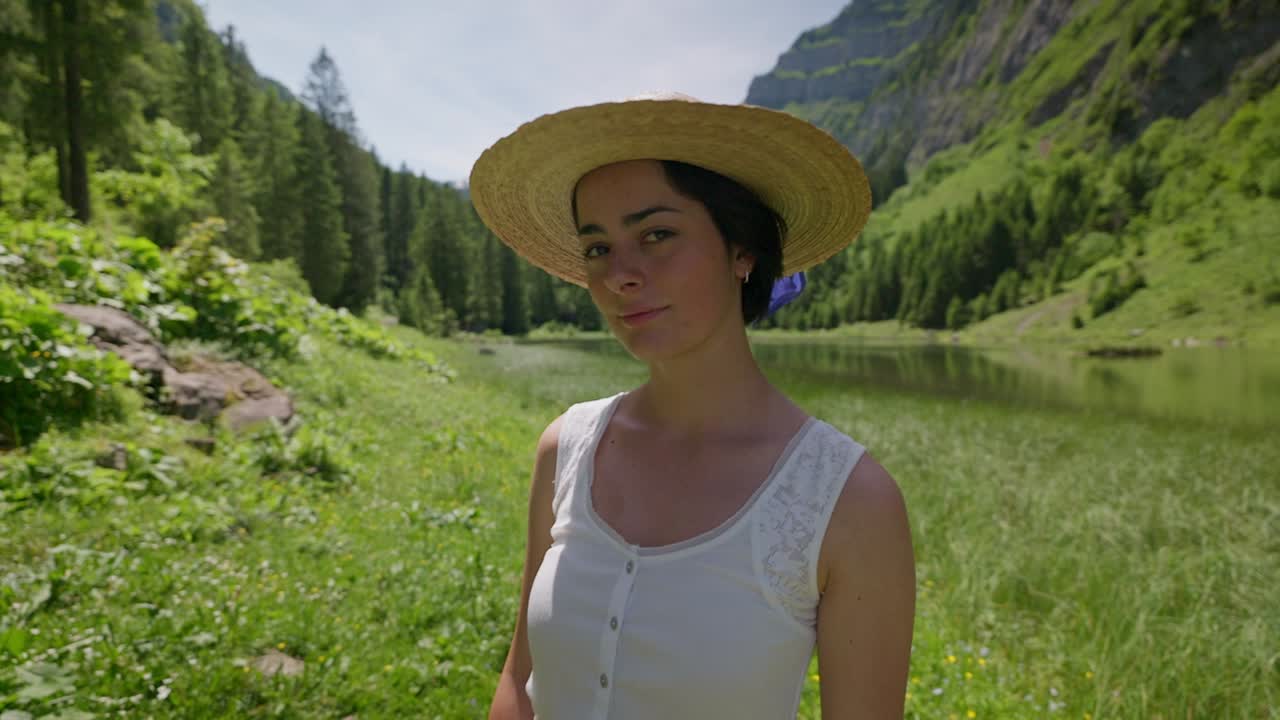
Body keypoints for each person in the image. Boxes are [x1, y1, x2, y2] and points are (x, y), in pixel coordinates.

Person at [469, 92, 915, 720]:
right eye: (597, 248)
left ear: (742, 251)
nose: (620, 274)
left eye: (656, 235)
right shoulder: (564, 448)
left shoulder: (851, 501)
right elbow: (520, 681)